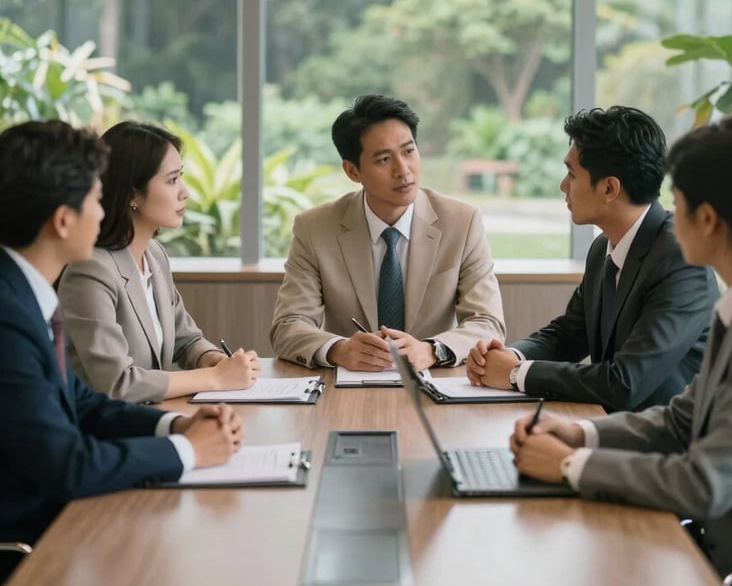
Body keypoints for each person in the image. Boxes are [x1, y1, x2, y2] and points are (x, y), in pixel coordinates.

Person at [510, 115, 732, 578]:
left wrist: (571, 464)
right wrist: (582, 435)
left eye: (678, 201)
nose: (667, 213)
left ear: (707, 219)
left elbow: (705, 483)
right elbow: (679, 420)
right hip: (707, 534)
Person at [0, 120, 244, 581]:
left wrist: (176, 423)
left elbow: (83, 402)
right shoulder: (8, 314)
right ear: (63, 219)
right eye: (95, 198)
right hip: (36, 538)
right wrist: (187, 451)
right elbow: (66, 465)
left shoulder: (22, 293)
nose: (103, 210)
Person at [467, 106, 718, 411]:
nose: (563, 185)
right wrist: (508, 356)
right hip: (610, 430)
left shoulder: (681, 259)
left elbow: (624, 382)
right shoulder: (603, 248)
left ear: (609, 188)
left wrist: (515, 374)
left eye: (571, 174)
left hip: (664, 446)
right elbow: (569, 334)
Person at [270, 94, 505, 371]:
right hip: (348, 387)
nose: (403, 170)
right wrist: (338, 350)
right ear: (352, 171)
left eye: (409, 151)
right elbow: (288, 326)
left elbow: (488, 323)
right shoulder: (316, 229)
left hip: (434, 384)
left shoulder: (462, 223)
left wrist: (433, 349)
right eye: (383, 159)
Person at [58, 121, 260, 403]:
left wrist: (213, 360)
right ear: (132, 195)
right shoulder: (90, 270)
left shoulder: (154, 254)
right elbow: (118, 383)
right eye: (172, 180)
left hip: (154, 418)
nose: (185, 192)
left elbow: (185, 340)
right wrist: (215, 378)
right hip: (106, 434)